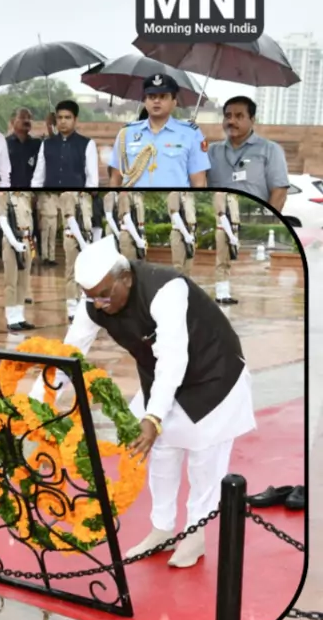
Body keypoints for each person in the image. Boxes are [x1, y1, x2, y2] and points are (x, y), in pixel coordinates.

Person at [39, 237, 255, 568]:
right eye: (90, 297)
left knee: (204, 458)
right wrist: (36, 405)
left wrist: (153, 417)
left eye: (103, 293)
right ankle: (162, 528)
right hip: (163, 380)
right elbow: (69, 355)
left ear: (125, 277)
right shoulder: (95, 305)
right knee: (161, 454)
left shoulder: (165, 288)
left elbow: (173, 355)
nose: (98, 303)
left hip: (214, 374)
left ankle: (194, 534)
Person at [108, 74, 209, 188]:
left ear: (174, 102)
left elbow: (199, 182)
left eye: (163, 97)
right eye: (151, 96)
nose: (156, 101)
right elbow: (115, 177)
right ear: (145, 101)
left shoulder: (191, 134)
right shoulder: (126, 133)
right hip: (133, 201)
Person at [207, 96, 289, 211]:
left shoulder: (270, 150)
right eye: (228, 116)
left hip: (253, 218)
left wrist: (267, 219)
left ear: (252, 119)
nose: (231, 121)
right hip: (218, 217)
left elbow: (279, 192)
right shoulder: (210, 151)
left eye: (239, 116)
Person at [32, 100, 98, 189]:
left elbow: (92, 181)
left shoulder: (88, 144)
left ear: (75, 120)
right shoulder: (46, 144)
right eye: (60, 117)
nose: (63, 121)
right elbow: (38, 178)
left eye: (67, 117)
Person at [0, 192, 36, 331]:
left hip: (26, 239)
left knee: (23, 281)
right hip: (11, 241)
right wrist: (14, 242)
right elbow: (3, 220)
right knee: (11, 281)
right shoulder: (4, 196)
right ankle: (11, 317)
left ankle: (20, 316)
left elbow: (30, 220)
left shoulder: (25, 196)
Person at [59, 191, 93, 322]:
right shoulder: (68, 195)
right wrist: (82, 243)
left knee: (83, 274)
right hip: (73, 239)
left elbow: (88, 221)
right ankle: (72, 308)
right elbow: (71, 220)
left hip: (85, 238)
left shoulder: (85, 196)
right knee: (72, 274)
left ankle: (81, 305)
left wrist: (88, 242)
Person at [213, 193, 240, 305]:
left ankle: (226, 294)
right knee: (221, 262)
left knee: (228, 263)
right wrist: (230, 235)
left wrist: (234, 235)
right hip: (223, 230)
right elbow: (222, 215)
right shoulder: (220, 194)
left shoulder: (233, 196)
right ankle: (220, 295)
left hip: (232, 231)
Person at [6, 108, 42, 189]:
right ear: (12, 121)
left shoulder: (37, 144)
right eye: (22, 117)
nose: (26, 120)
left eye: (29, 118)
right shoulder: (4, 144)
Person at [168, 191, 196, 277]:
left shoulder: (188, 195)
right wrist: (185, 234)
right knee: (178, 267)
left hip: (191, 232)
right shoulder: (174, 194)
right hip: (179, 232)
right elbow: (175, 214)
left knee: (188, 267)